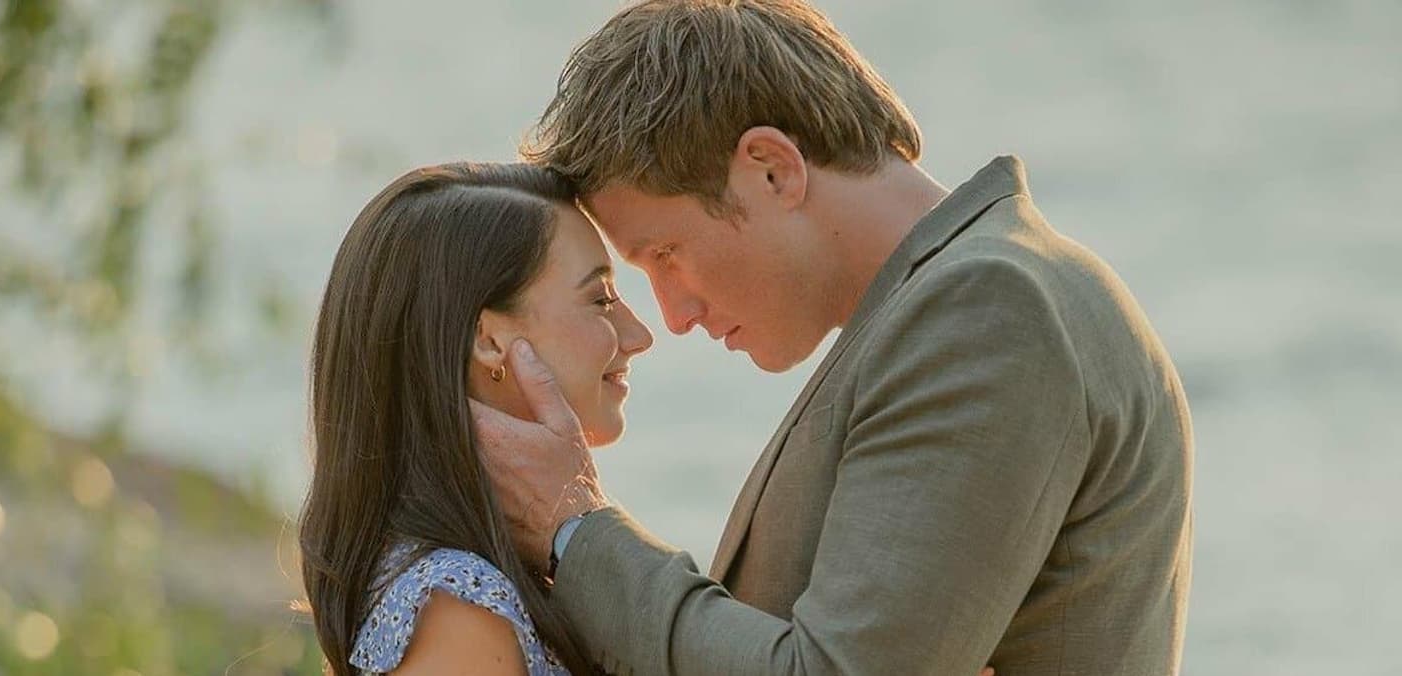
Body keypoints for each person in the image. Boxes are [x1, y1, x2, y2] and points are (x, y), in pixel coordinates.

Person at [472, 1, 1195, 674]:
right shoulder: (959, 299)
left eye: (665, 253)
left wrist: (574, 527)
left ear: (771, 170)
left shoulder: (986, 308)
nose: (674, 314)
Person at [297, 162, 654, 675]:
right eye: (600, 299)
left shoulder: (475, 579)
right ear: (487, 341)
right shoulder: (459, 609)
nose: (639, 335)